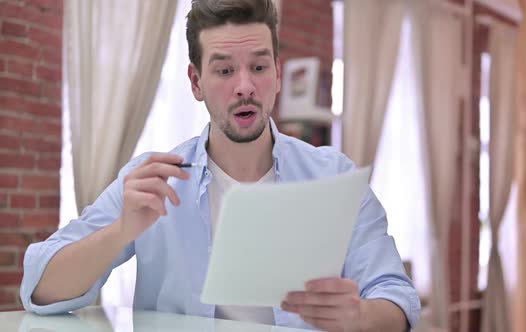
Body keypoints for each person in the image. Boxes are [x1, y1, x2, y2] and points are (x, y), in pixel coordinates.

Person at [20, 0, 420, 330]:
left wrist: (361, 316)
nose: (245, 85)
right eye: (225, 70)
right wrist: (121, 230)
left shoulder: (336, 177)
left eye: (259, 67)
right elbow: (39, 289)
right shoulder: (152, 179)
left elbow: (398, 299)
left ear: (278, 75)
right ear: (196, 83)